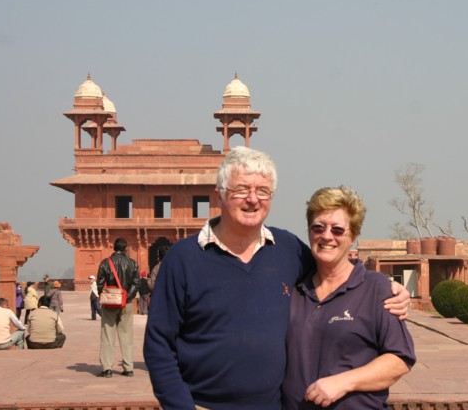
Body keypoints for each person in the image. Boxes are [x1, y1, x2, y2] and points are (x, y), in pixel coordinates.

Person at [144, 146, 410, 410]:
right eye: (241, 189)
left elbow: (336, 266)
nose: (252, 199)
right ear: (220, 194)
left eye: (262, 191)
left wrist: (391, 288)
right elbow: (159, 346)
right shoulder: (184, 259)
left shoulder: (288, 250)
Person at [282, 187, 416, 409]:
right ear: (309, 232)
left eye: (337, 230)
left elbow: (400, 360)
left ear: (352, 236)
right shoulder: (295, 290)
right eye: (318, 228)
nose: (327, 236)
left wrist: (344, 382)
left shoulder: (375, 289)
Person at [96, 237, 140, 378]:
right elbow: (136, 283)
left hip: (110, 303)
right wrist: (127, 298)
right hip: (125, 303)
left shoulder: (105, 263)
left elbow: (100, 284)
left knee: (108, 335)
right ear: (126, 248)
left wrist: (105, 296)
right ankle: (128, 368)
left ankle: (107, 369)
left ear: (114, 248)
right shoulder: (132, 263)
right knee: (126, 335)